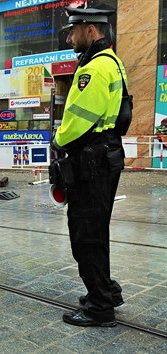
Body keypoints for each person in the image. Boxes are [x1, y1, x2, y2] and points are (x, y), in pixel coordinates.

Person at [53, 6, 126, 327]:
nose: (70, 37)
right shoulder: (113, 62)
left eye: (74, 31)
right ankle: (106, 290)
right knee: (96, 230)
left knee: (86, 234)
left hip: (91, 160)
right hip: (106, 155)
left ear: (90, 30)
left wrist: (57, 141)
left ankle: (100, 306)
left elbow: (78, 120)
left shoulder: (93, 69)